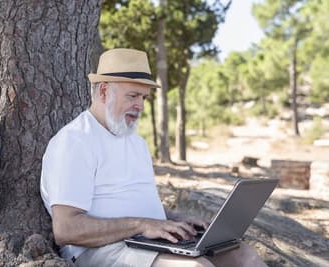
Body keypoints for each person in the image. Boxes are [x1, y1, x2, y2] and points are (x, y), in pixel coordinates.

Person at [40, 48, 267, 267]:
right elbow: (66, 229)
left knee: (245, 258)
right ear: (103, 91)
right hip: (100, 250)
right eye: (133, 96)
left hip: (146, 241)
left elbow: (138, 204)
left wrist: (174, 219)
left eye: (144, 98)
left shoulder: (135, 141)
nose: (139, 105)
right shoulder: (74, 141)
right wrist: (141, 225)